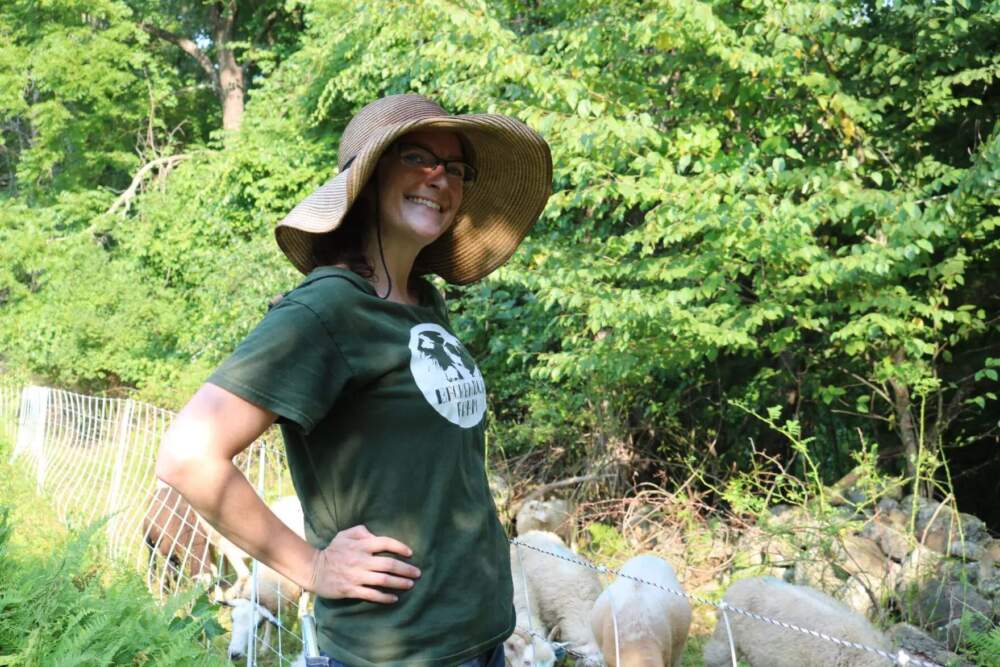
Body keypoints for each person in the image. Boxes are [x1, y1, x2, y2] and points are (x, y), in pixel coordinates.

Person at [155, 94, 552, 667]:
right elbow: (188, 456)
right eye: (417, 157)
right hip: (396, 649)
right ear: (366, 180)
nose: (440, 177)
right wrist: (311, 567)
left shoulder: (424, 302)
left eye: (457, 168)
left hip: (482, 636)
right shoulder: (327, 309)